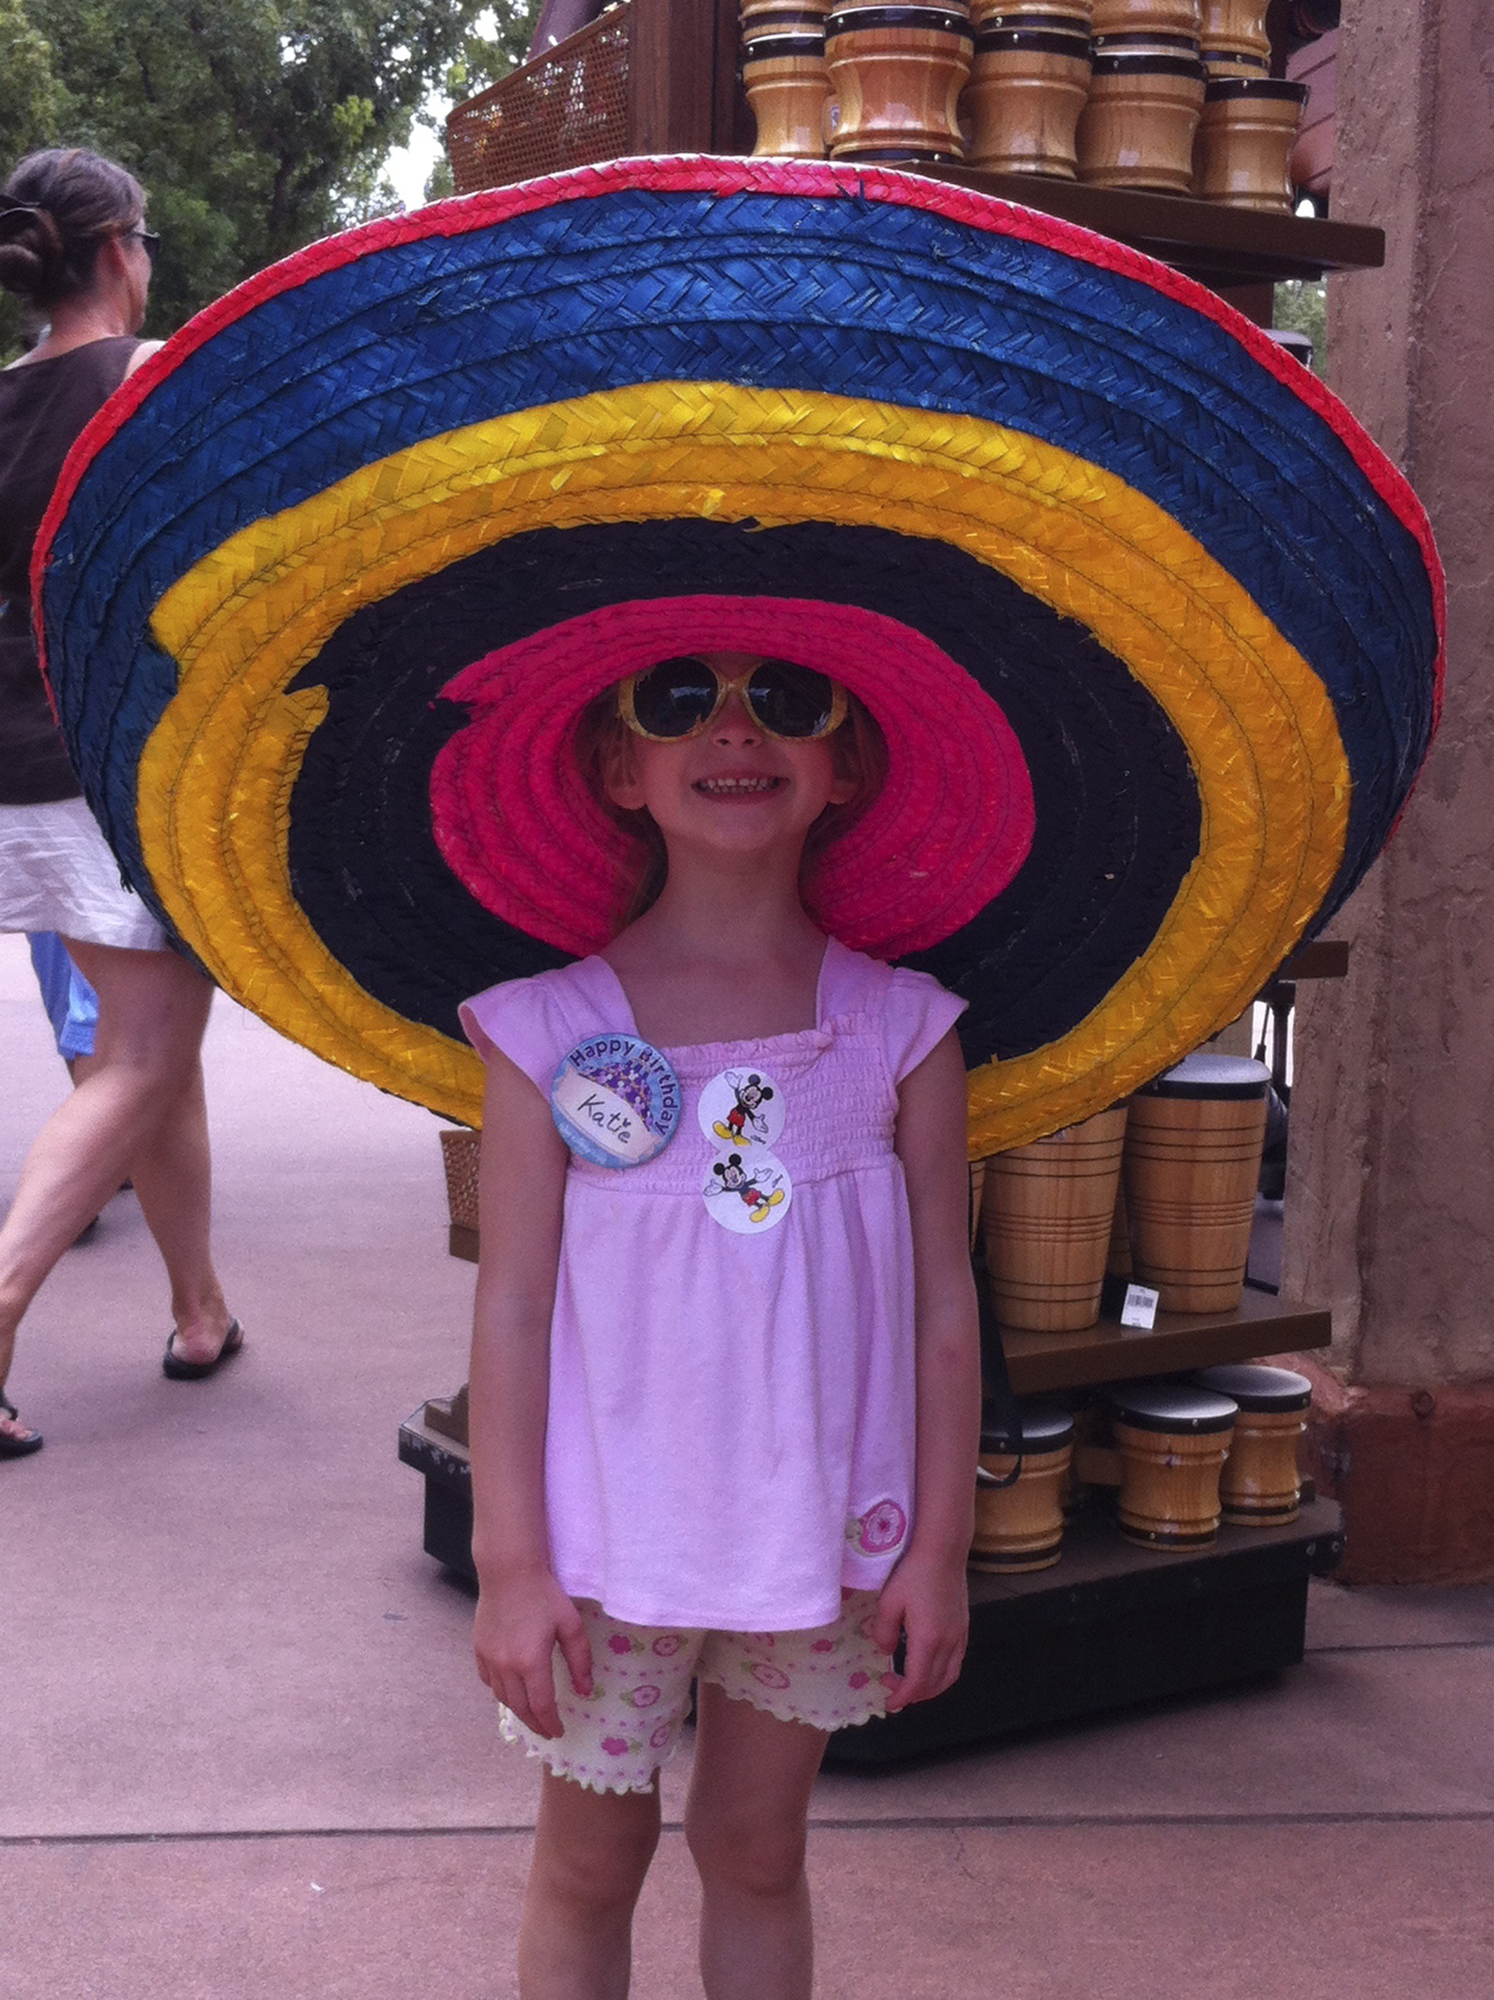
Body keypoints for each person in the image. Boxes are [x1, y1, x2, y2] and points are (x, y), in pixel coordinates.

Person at [461, 650, 982, 1999]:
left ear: (843, 764)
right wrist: (509, 1562)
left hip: (816, 1538)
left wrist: (942, 1546)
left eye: (791, 701)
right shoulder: (545, 1036)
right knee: (587, 1859)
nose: (738, 731)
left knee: (755, 1846)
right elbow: (511, 1309)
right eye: (680, 700)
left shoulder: (900, 1031)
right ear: (617, 770)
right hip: (601, 1552)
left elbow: (941, 1307)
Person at [0, 148, 239, 1461]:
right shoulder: (147, 390)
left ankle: (199, 1310)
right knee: (141, 1052)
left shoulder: (3, 400)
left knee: (154, 1049)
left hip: (14, 766)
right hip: (117, 767)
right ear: (119, 252)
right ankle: (6, 1297)